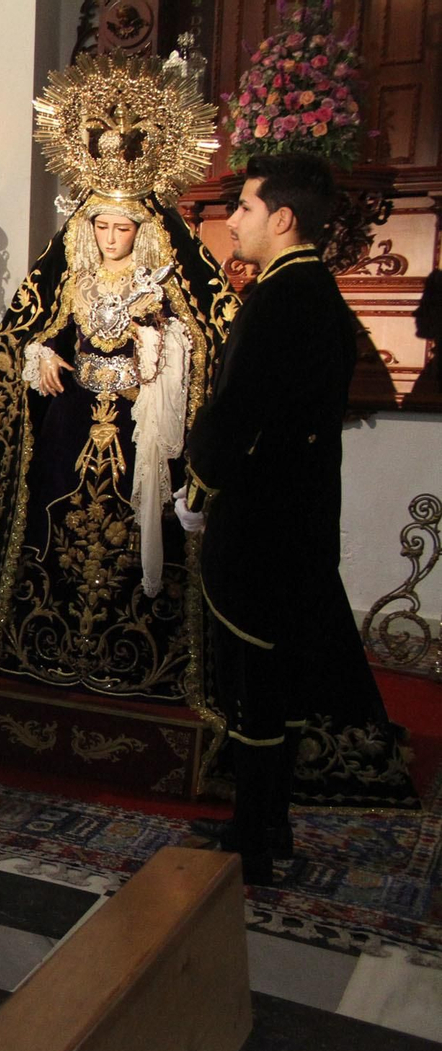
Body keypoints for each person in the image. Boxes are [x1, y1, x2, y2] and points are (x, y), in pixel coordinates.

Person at [0, 57, 237, 722]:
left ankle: (140, 655)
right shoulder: (71, 276)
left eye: (122, 227)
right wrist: (37, 354)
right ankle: (43, 642)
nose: (110, 237)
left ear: (143, 229)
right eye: (101, 226)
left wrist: (160, 346)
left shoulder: (163, 280)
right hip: (68, 427)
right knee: (55, 525)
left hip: (139, 431)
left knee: (134, 534)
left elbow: (204, 342)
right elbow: (32, 332)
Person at [183, 153, 416, 883]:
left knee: (255, 681)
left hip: (261, 524)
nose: (234, 221)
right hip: (300, 518)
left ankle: (252, 842)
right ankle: (267, 823)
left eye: (246, 208)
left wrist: (197, 485)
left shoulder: (279, 298)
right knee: (274, 679)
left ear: (282, 218)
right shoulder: (318, 292)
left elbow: (239, 411)